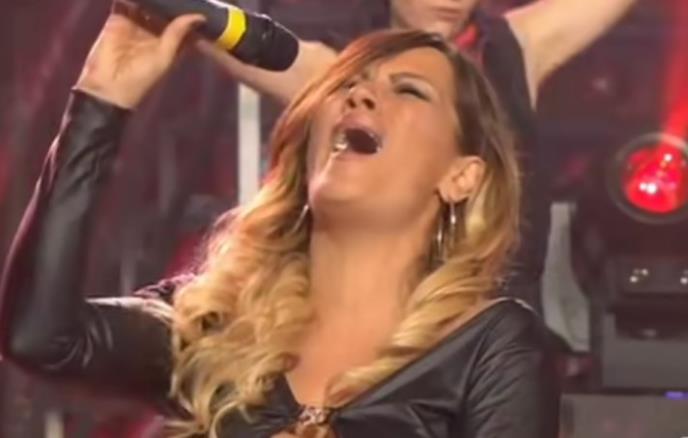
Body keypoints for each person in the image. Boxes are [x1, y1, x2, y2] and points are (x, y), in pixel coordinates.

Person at [0, 4, 559, 438]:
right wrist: (101, 100)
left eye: (408, 90)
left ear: (461, 177)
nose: (360, 95)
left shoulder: (490, 345)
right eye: (348, 85)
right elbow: (40, 335)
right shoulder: (215, 323)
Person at [199, 0, 638, 313]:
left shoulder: (510, 50)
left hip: (492, 320)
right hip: (369, 325)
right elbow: (208, 24)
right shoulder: (339, 71)